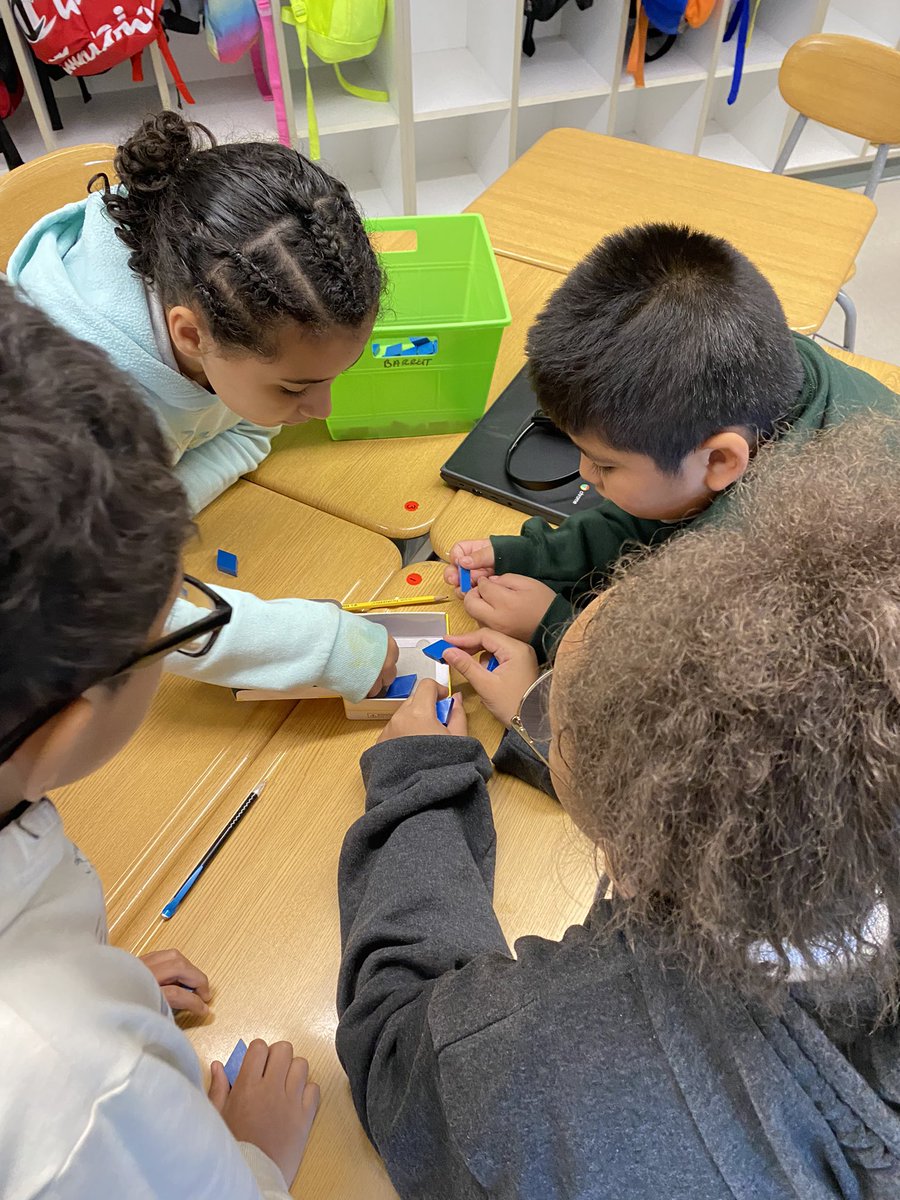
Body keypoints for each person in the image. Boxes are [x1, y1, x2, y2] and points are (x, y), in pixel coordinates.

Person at [337, 412, 900, 1199]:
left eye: (550, 716)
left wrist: (417, 781)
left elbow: (401, 1051)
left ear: (631, 831)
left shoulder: (554, 1062)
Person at [0, 285, 318, 1198]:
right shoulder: (80, 1089)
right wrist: (249, 1158)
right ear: (66, 722)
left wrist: (90, 981)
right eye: (171, 624)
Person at [9, 110, 398, 702]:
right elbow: (99, 607)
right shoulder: (71, 419)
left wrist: (145, 522)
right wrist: (321, 646)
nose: (322, 408)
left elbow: (244, 432)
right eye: (295, 388)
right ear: (190, 336)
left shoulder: (211, 293)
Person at [444, 222, 899, 660]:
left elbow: (677, 694)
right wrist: (533, 556)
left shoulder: (758, 573)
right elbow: (665, 510)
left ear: (720, 460)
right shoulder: (770, 366)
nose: (585, 474)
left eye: (605, 465)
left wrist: (554, 627)